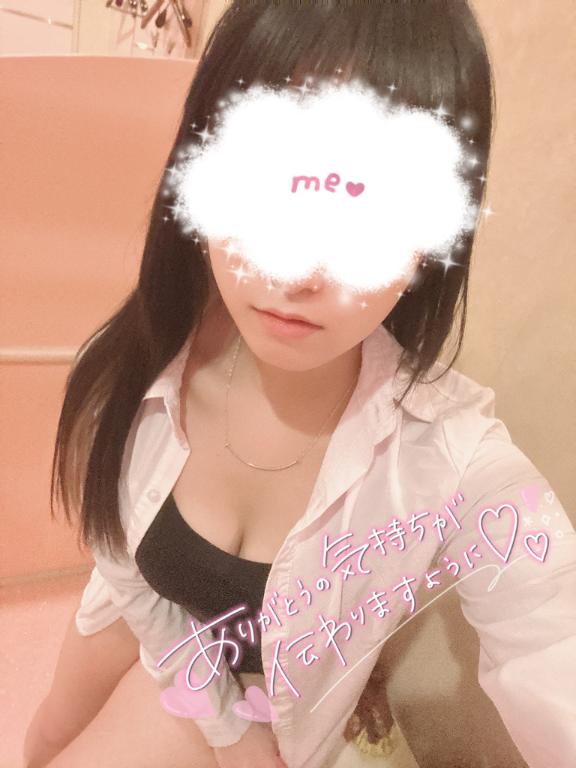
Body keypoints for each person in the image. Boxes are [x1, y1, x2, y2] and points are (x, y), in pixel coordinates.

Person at [23, 1, 576, 767]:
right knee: (48, 733)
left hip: (248, 688)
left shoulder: (451, 460)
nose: (295, 267)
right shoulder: (137, 356)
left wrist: (238, 735)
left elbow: (552, 638)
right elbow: (119, 549)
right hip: (129, 610)